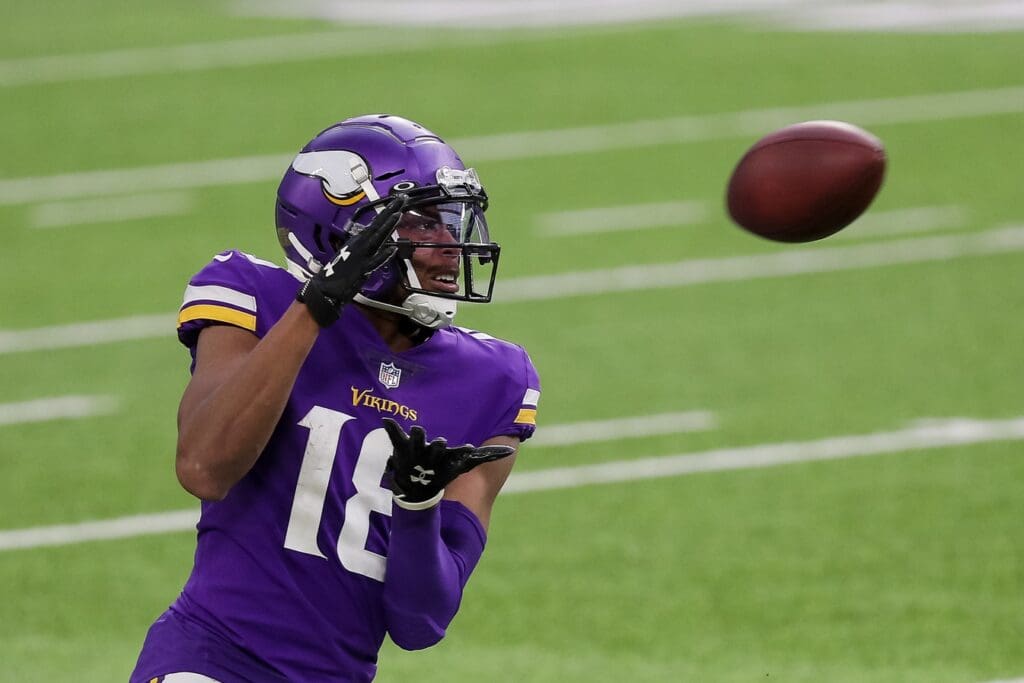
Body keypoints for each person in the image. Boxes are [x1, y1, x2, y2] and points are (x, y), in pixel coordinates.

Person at [130, 114, 541, 682]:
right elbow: (204, 466)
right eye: (425, 224)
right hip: (210, 658)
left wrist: (419, 510)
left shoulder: (492, 379)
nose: (452, 246)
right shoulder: (256, 296)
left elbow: (420, 622)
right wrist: (316, 307)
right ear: (344, 228)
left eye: (454, 221)